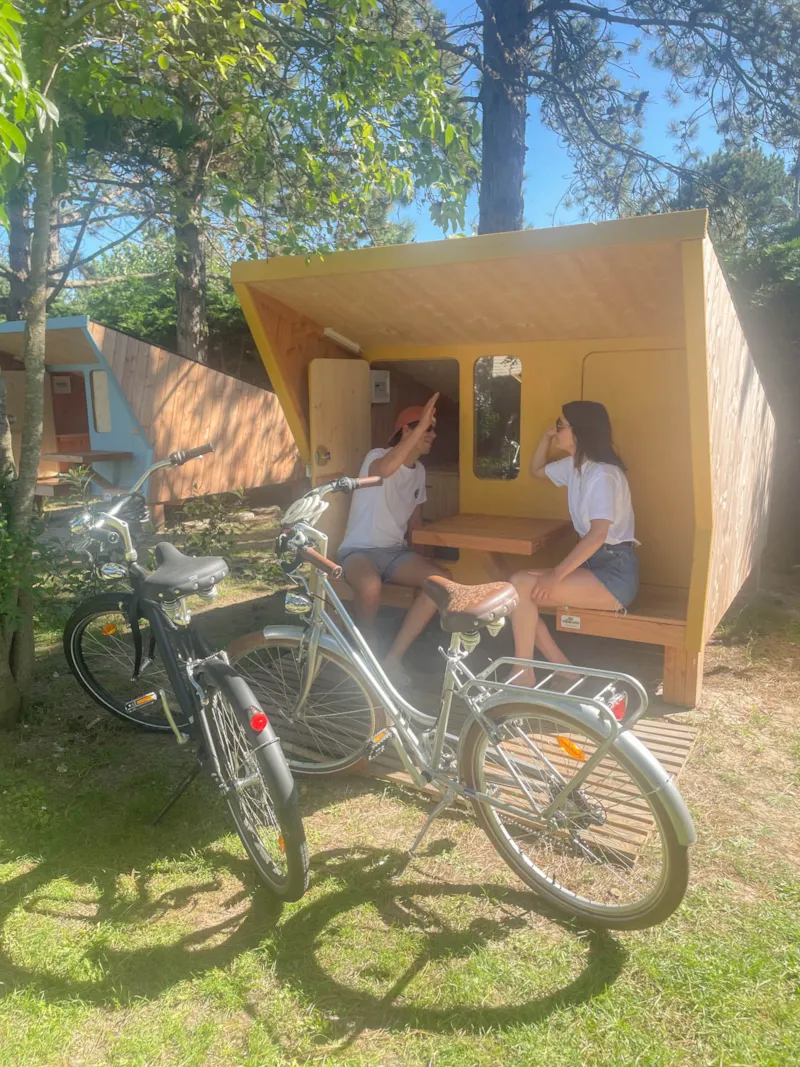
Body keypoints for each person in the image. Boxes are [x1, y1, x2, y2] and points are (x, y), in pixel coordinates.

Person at [510, 400, 639, 685]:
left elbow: (598, 534)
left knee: (522, 586)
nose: (556, 431)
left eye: (560, 426)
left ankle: (525, 673)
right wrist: (546, 438)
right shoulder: (576, 466)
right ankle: (557, 669)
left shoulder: (602, 474)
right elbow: (536, 470)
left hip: (614, 574)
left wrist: (556, 574)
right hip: (594, 566)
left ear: (579, 432)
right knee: (518, 585)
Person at [338, 393, 449, 680]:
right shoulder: (376, 456)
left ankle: (393, 658)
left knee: (440, 582)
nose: (432, 433)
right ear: (405, 431)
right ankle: (366, 649)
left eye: (433, 429)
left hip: (394, 553)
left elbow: (415, 520)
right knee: (371, 586)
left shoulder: (420, 471)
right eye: (426, 427)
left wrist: (423, 557)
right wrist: (420, 424)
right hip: (358, 551)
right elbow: (386, 470)